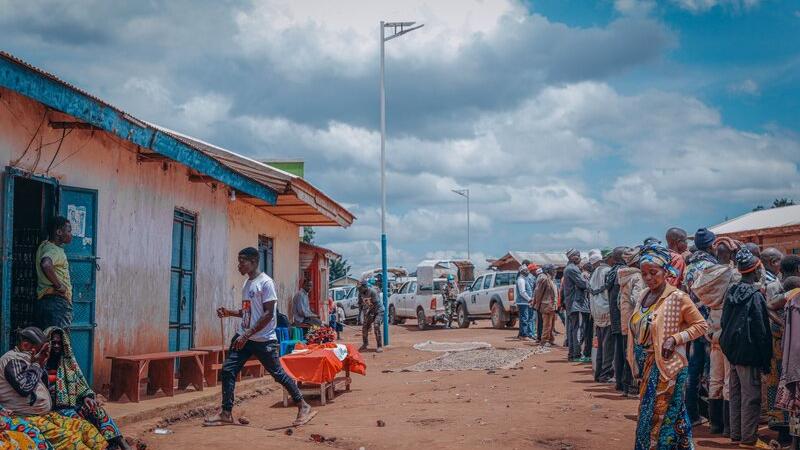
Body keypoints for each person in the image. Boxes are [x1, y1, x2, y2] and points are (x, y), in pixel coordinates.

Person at [205, 247, 314, 427]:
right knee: (227, 370)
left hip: (263, 340)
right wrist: (230, 313)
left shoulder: (266, 283)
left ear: (254, 262)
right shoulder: (247, 284)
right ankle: (226, 413)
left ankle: (303, 405)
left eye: (242, 261)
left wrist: (247, 334)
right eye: (238, 261)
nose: (239, 265)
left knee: (277, 374)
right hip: (245, 338)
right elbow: (250, 313)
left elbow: (268, 314)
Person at [627, 244, 708, 450]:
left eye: (653, 273)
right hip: (646, 364)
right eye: (644, 274)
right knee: (672, 412)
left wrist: (676, 338)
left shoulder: (678, 298)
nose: (648, 278)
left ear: (666, 271)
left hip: (668, 367)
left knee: (654, 415)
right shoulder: (644, 295)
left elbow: (701, 325)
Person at [0, 327, 107, 449]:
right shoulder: (12, 360)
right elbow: (25, 387)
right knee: (70, 440)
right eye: (42, 350)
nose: (46, 353)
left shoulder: (28, 359)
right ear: (25, 345)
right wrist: (37, 364)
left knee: (85, 428)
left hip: (44, 415)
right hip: (25, 417)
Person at [719, 248, 773, 448]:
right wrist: (766, 359)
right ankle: (749, 439)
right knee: (751, 397)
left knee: (736, 394)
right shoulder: (756, 296)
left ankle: (737, 434)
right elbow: (761, 330)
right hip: (748, 353)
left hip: (731, 351)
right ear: (755, 270)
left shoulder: (732, 292)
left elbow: (724, 322)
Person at [44, 327, 129, 449]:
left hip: (73, 404)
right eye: (53, 342)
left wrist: (86, 397)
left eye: (59, 343)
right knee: (78, 421)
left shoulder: (68, 363)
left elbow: (80, 383)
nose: (56, 346)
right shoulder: (41, 364)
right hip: (55, 409)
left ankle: (121, 442)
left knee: (97, 410)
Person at [682, 227, 718, 427]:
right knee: (712, 370)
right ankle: (714, 418)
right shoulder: (710, 267)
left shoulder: (690, 267)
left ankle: (692, 413)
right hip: (709, 324)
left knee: (694, 369)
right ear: (712, 246)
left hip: (693, 323)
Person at [35, 216, 73, 330]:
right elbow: (46, 264)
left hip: (44, 301)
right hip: (57, 303)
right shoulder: (54, 250)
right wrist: (60, 286)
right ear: (59, 232)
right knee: (59, 343)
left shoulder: (44, 246)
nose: (71, 234)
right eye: (69, 231)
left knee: (47, 342)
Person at [617, 246, 643, 397]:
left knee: (627, 352)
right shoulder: (637, 277)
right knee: (633, 354)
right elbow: (637, 298)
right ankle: (633, 388)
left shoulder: (623, 276)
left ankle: (627, 387)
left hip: (624, 318)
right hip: (634, 319)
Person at [604, 247, 628, 393]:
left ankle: (619, 382)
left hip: (615, 316)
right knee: (625, 352)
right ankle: (625, 384)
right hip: (623, 316)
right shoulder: (625, 272)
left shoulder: (611, 272)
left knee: (618, 351)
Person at [563, 249, 591, 362]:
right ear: (572, 257)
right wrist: (588, 279)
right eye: (577, 256)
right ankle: (577, 355)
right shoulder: (572, 269)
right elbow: (583, 284)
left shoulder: (569, 268)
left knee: (573, 329)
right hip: (577, 304)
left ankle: (572, 353)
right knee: (578, 329)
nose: (579, 257)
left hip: (573, 304)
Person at [589, 249, 613, 382]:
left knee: (601, 346)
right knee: (607, 346)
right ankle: (605, 374)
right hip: (607, 313)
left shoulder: (595, 272)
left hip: (597, 314)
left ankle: (598, 373)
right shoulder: (607, 271)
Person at [533, 265, 558, 346]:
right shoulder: (543, 279)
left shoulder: (550, 279)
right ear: (548, 270)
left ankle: (550, 339)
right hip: (546, 305)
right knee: (547, 324)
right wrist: (537, 305)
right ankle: (544, 340)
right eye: (553, 270)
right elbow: (538, 293)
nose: (555, 271)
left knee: (551, 324)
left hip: (551, 306)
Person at [357, 279, 384, 353]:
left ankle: (379, 346)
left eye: (360, 288)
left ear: (364, 286)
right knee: (365, 326)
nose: (359, 289)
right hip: (370, 311)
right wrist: (360, 316)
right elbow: (360, 304)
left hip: (378, 311)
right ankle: (365, 343)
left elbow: (376, 305)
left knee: (376, 325)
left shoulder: (372, 292)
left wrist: (371, 314)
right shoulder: (360, 293)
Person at [515, 265, 534, 341]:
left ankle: (525, 334)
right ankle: (523, 335)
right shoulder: (521, 280)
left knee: (526, 318)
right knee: (524, 319)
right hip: (523, 303)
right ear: (522, 272)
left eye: (527, 270)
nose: (527, 271)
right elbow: (522, 292)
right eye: (526, 270)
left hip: (525, 302)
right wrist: (529, 299)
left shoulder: (524, 279)